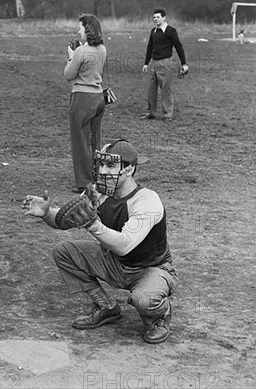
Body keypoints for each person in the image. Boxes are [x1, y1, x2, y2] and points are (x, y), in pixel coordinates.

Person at [22, 139, 178, 344]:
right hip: (115, 262)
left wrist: (93, 225)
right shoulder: (98, 192)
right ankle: (106, 306)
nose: (103, 170)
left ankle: (160, 316)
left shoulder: (146, 200)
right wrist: (45, 213)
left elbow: (124, 245)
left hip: (152, 269)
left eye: (111, 165)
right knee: (64, 252)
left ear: (129, 169)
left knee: (144, 299)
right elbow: (64, 220)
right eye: (101, 164)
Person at [65, 14, 107, 194]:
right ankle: (98, 175)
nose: (78, 31)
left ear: (87, 29)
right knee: (94, 139)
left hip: (82, 98)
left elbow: (69, 75)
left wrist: (71, 57)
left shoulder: (81, 52)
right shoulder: (103, 49)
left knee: (80, 141)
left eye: (80, 28)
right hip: (98, 97)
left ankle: (83, 181)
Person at [141, 8, 188, 121]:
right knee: (151, 90)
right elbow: (149, 47)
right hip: (153, 63)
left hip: (165, 63)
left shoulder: (171, 31)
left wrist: (184, 63)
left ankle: (167, 114)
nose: (155, 19)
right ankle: (151, 112)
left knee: (166, 90)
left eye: (158, 17)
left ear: (164, 17)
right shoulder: (153, 31)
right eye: (154, 17)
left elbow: (178, 46)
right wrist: (146, 63)